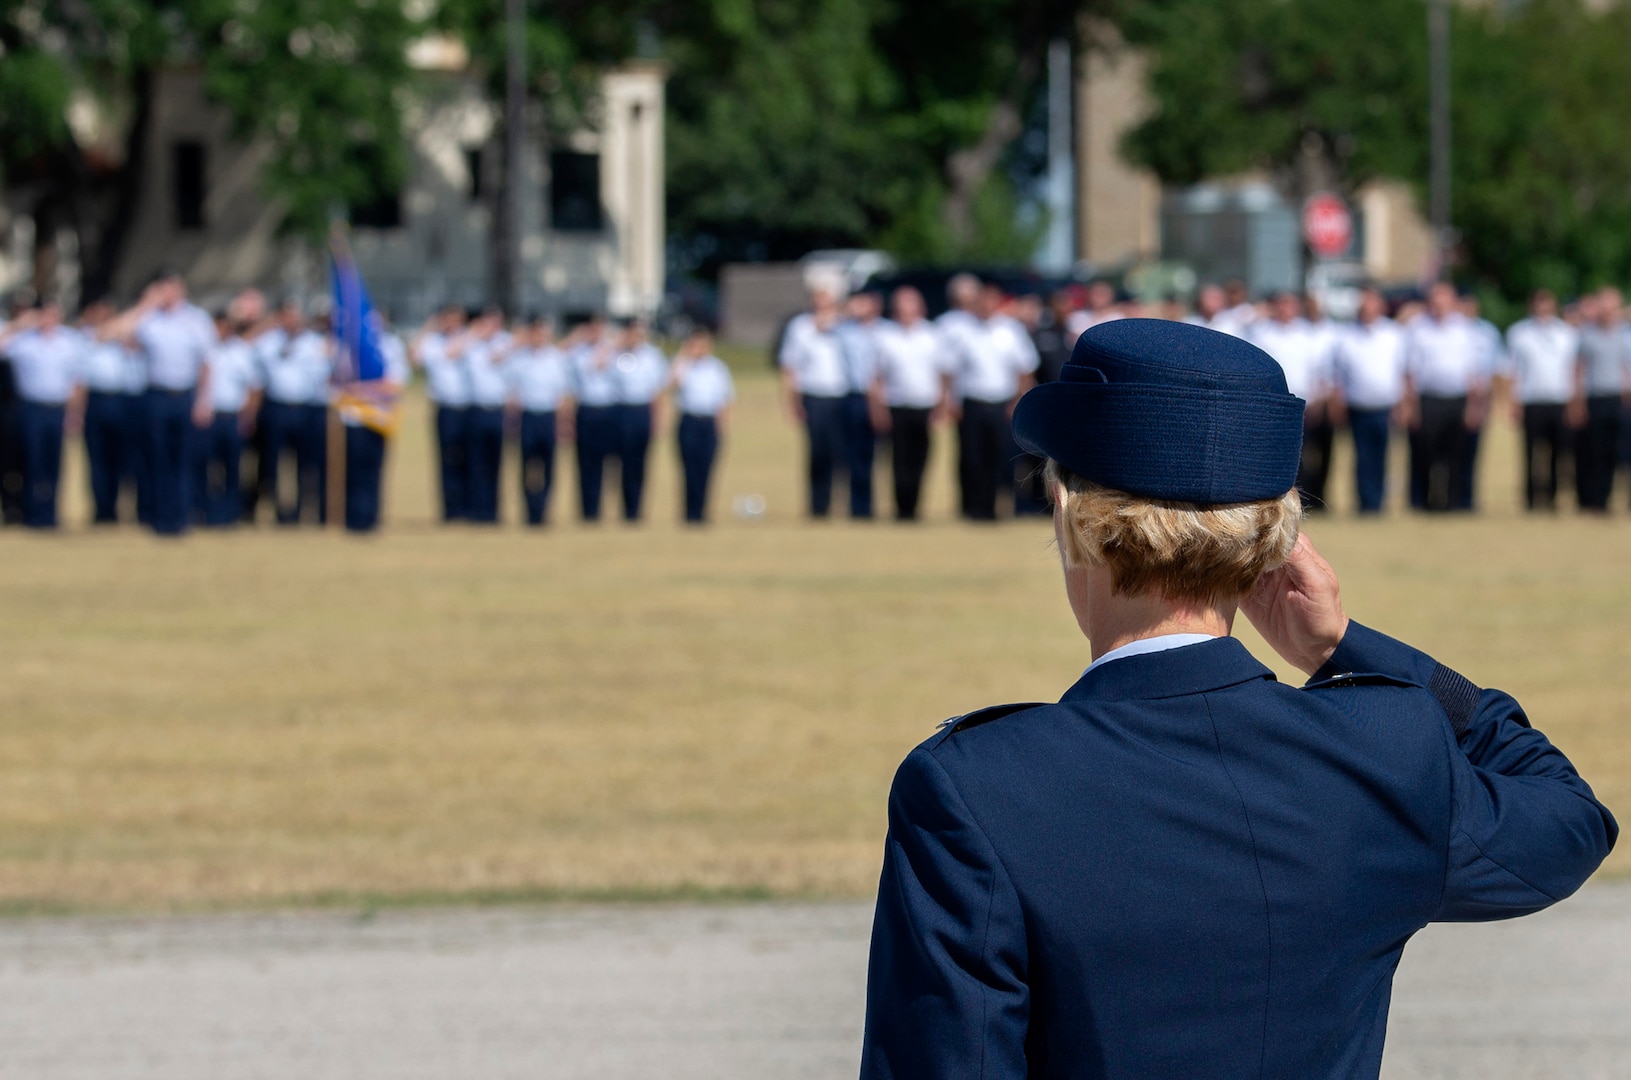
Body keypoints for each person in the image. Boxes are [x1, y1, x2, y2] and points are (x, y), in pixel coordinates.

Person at [860, 317, 1618, 1079]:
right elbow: (1566, 815)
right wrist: (1343, 647)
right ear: (1272, 539)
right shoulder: (1382, 752)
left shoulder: (977, 786)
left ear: (1070, 518)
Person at [109, 271, 216, 536]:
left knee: (182, 459)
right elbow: (113, 333)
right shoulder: (149, 319)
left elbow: (207, 363)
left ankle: (180, 517)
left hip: (184, 395)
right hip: (155, 395)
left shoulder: (196, 320)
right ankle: (157, 517)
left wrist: (204, 401)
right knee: (156, 458)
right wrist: (145, 304)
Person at [943, 283, 1039, 521]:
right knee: (972, 457)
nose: (986, 306)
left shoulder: (1011, 330)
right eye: (981, 301)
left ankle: (997, 506)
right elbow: (950, 369)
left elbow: (1025, 369)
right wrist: (949, 400)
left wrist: (1018, 400)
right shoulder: (964, 331)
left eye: (990, 301)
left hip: (1001, 402)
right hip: (972, 402)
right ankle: (974, 507)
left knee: (1000, 457)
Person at [1403, 282, 1488, 513]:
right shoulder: (1418, 329)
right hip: (1428, 400)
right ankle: (1422, 503)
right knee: (1424, 454)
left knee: (1455, 455)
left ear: (1452, 302)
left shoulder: (1466, 330)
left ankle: (1454, 503)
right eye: (1434, 301)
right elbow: (1410, 371)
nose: (1439, 306)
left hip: (1457, 400)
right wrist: (1410, 406)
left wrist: (1473, 407)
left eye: (1443, 301)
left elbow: (1475, 373)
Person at [0, 300, 82, 528]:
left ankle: (51, 514)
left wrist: (75, 412)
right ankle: (32, 513)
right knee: (32, 461)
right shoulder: (24, 341)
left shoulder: (68, 341)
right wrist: (19, 325)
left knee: (54, 463)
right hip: (31, 408)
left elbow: (76, 380)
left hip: (58, 408)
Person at [1248, 292, 1335, 510]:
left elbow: (1320, 371)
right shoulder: (1262, 334)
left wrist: (1318, 400)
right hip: (1275, 406)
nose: (1285, 309)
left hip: (1307, 405)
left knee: (1309, 456)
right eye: (1281, 304)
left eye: (1290, 305)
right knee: (1279, 457)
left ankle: (1312, 501)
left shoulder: (1308, 335)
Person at [870, 286, 947, 522]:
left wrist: (942, 406)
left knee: (921, 458)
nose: (907, 312)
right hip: (896, 405)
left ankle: (916, 506)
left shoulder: (932, 335)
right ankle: (901, 509)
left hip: (924, 406)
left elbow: (942, 374)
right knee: (898, 460)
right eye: (902, 307)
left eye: (911, 306)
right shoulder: (885, 337)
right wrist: (878, 410)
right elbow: (877, 378)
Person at [1330, 287, 1408, 514]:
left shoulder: (1394, 335)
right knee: (1362, 457)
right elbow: (1338, 375)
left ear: (1381, 308)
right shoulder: (1346, 336)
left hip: (1385, 406)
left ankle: (1379, 501)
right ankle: (1365, 502)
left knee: (1382, 455)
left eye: (1371, 305)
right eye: (1363, 306)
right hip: (1357, 406)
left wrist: (1404, 405)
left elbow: (1402, 372)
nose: (1367, 310)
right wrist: (1338, 403)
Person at [255, 300, 332, 525]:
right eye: (287, 316)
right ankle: (279, 510)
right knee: (273, 464)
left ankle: (301, 510)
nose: (292, 321)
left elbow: (325, 376)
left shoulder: (315, 344)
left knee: (306, 465)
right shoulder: (267, 342)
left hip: (305, 409)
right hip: (276, 408)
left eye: (295, 316)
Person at [778, 282, 851, 519]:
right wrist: (792, 403)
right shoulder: (800, 328)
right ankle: (818, 507)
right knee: (818, 453)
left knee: (843, 453)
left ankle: (851, 505)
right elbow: (790, 369)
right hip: (815, 396)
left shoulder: (845, 326)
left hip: (843, 396)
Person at [1504, 288, 1580, 512]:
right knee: (1530, 453)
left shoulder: (1567, 334)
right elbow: (1512, 371)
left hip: (1559, 399)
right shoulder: (1519, 333)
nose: (1542, 309)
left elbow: (1574, 370)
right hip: (1531, 400)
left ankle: (1553, 497)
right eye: (1538, 304)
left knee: (1559, 453)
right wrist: (1513, 401)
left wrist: (1574, 401)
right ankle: (1530, 499)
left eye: (1546, 304)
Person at [336, 313, 409, 533]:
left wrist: (360, 390)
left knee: (373, 471)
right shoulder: (348, 346)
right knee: (351, 471)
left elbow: (394, 384)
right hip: (353, 417)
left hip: (379, 418)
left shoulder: (391, 347)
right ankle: (351, 519)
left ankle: (370, 518)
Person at [76, 300, 147, 524]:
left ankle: (131, 509)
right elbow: (102, 334)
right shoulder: (85, 336)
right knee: (98, 459)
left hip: (125, 402)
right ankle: (103, 510)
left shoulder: (127, 340)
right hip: (97, 401)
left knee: (126, 460)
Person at [195, 311, 262, 527]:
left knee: (232, 468)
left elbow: (254, 387)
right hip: (209, 417)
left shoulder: (242, 352)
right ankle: (207, 511)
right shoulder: (206, 351)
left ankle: (230, 513)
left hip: (233, 417)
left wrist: (248, 416)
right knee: (207, 467)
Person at [505, 315, 569, 527]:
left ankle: (544, 511)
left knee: (548, 467)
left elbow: (562, 394)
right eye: (536, 333)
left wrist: (564, 423)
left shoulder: (556, 358)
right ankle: (529, 512)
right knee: (527, 466)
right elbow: (512, 393)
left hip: (548, 416)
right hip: (528, 416)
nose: (539, 337)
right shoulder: (519, 359)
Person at [668, 326, 735, 524]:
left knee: (706, 469)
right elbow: (672, 384)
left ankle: (702, 512)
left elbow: (726, 398)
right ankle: (689, 514)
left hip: (709, 422)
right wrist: (684, 356)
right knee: (688, 469)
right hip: (689, 420)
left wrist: (722, 425)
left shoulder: (717, 368)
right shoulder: (682, 365)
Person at [412, 305, 472, 522]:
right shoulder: (433, 342)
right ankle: (451, 510)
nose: (452, 324)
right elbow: (414, 358)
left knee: (470, 460)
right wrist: (428, 329)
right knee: (447, 460)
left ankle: (470, 507)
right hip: (445, 408)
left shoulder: (471, 339)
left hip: (468, 408)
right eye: (448, 320)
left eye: (456, 320)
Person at [1573, 286, 1627, 513]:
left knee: (1624, 453)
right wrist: (1577, 401)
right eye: (1603, 306)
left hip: (1622, 400)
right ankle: (1598, 502)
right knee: (1598, 453)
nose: (1607, 311)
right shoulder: (1587, 336)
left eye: (1611, 306)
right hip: (1596, 399)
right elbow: (1579, 370)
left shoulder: (1626, 335)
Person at [454, 308, 511, 524]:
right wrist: (474, 334)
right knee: (475, 462)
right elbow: (451, 353)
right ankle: (475, 510)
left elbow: (505, 358)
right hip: (475, 409)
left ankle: (492, 511)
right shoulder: (470, 344)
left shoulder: (507, 342)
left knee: (494, 463)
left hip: (497, 409)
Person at [565, 314, 623, 522]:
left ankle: (619, 511)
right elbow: (567, 362)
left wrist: (611, 346)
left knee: (613, 464)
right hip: (588, 411)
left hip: (611, 411)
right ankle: (589, 512)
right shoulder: (578, 353)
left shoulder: (618, 352)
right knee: (587, 464)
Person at [611, 319, 668, 523]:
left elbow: (657, 390)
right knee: (618, 463)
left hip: (642, 410)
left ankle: (635, 510)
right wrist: (615, 345)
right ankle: (613, 509)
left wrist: (658, 417)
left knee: (639, 464)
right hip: (619, 410)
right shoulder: (615, 353)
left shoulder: (652, 356)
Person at [838, 291, 883, 520]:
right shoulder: (845, 331)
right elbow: (822, 322)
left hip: (884, 399)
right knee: (856, 455)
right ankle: (859, 508)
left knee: (885, 456)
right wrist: (846, 311)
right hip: (855, 397)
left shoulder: (886, 331)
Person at [1458, 295, 1504, 510]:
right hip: (1454, 397)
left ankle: (1466, 499)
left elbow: (1497, 369)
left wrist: (1492, 400)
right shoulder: (1453, 331)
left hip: (1480, 397)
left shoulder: (1488, 332)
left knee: (1472, 451)